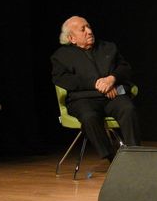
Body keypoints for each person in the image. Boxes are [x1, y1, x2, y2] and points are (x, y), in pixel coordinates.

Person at [51, 16, 141, 161]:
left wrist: (111, 79)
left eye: (89, 27)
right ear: (72, 38)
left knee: (128, 109)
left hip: (113, 96)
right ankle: (112, 156)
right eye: (83, 29)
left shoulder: (108, 47)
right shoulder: (61, 56)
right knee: (89, 117)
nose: (89, 31)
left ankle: (136, 153)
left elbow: (125, 68)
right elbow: (63, 80)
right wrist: (98, 85)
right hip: (83, 100)